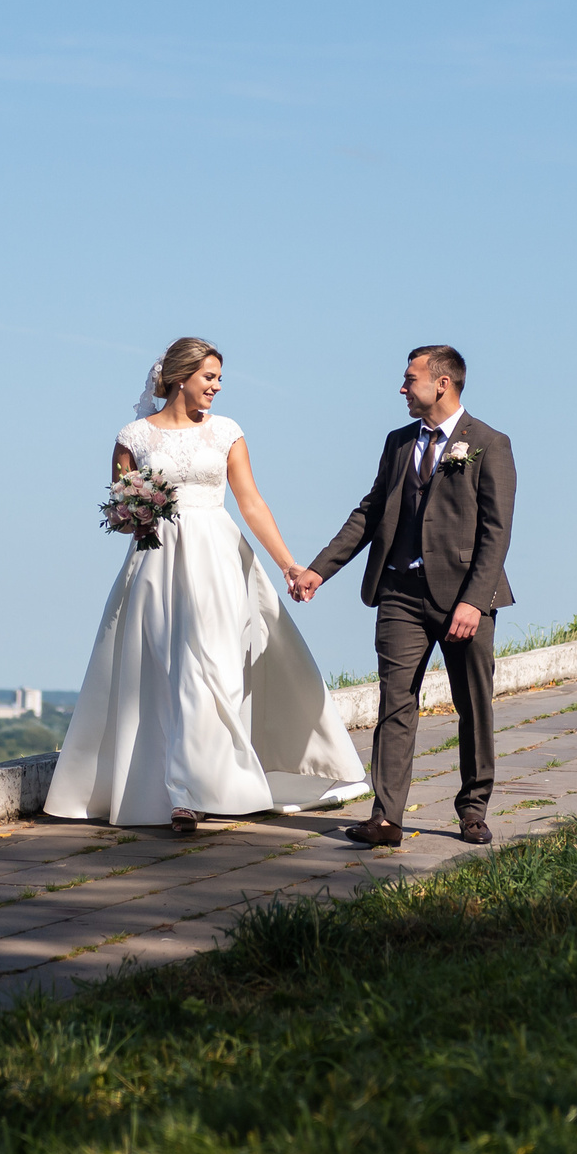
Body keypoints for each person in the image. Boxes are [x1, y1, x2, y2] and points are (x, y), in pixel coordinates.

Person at [46, 337, 369, 833]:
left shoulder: (227, 433)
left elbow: (251, 502)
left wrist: (287, 564)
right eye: (209, 377)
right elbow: (120, 506)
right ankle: (180, 796)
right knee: (165, 671)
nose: (216, 387)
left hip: (219, 560)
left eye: (219, 378)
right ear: (180, 377)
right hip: (158, 565)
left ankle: (215, 782)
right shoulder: (134, 436)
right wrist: (134, 514)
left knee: (217, 667)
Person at [288, 345, 516, 846]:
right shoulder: (397, 443)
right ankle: (387, 816)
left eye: (409, 378)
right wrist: (319, 571)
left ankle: (473, 810)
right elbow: (369, 514)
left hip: (464, 598)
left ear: (442, 383)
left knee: (473, 704)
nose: (401, 387)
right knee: (395, 702)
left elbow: (496, 533)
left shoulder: (490, 444)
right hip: (399, 593)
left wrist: (474, 602)